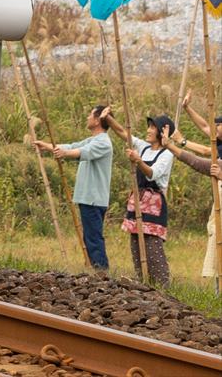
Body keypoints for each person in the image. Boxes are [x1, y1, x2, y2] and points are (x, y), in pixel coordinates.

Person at [35, 104, 115, 273]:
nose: (87, 117)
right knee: (90, 237)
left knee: (93, 238)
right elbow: (73, 146)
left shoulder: (103, 143)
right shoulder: (94, 140)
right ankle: (96, 270)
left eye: (90, 115)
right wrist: (48, 146)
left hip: (93, 198)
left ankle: (102, 273)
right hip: (88, 197)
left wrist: (64, 154)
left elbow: (81, 152)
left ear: (98, 120)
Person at [119, 115, 176, 285]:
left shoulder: (167, 154)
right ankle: (143, 283)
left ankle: (162, 285)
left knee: (152, 247)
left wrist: (138, 161)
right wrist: (108, 118)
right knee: (136, 245)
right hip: (138, 201)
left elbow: (152, 173)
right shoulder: (144, 148)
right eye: (149, 126)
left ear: (162, 133)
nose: (148, 130)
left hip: (153, 205)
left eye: (152, 127)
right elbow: (124, 133)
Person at [177, 92, 220, 292]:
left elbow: (204, 152)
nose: (215, 129)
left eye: (218, 126)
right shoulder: (219, 141)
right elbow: (204, 126)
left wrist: (182, 142)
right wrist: (187, 108)